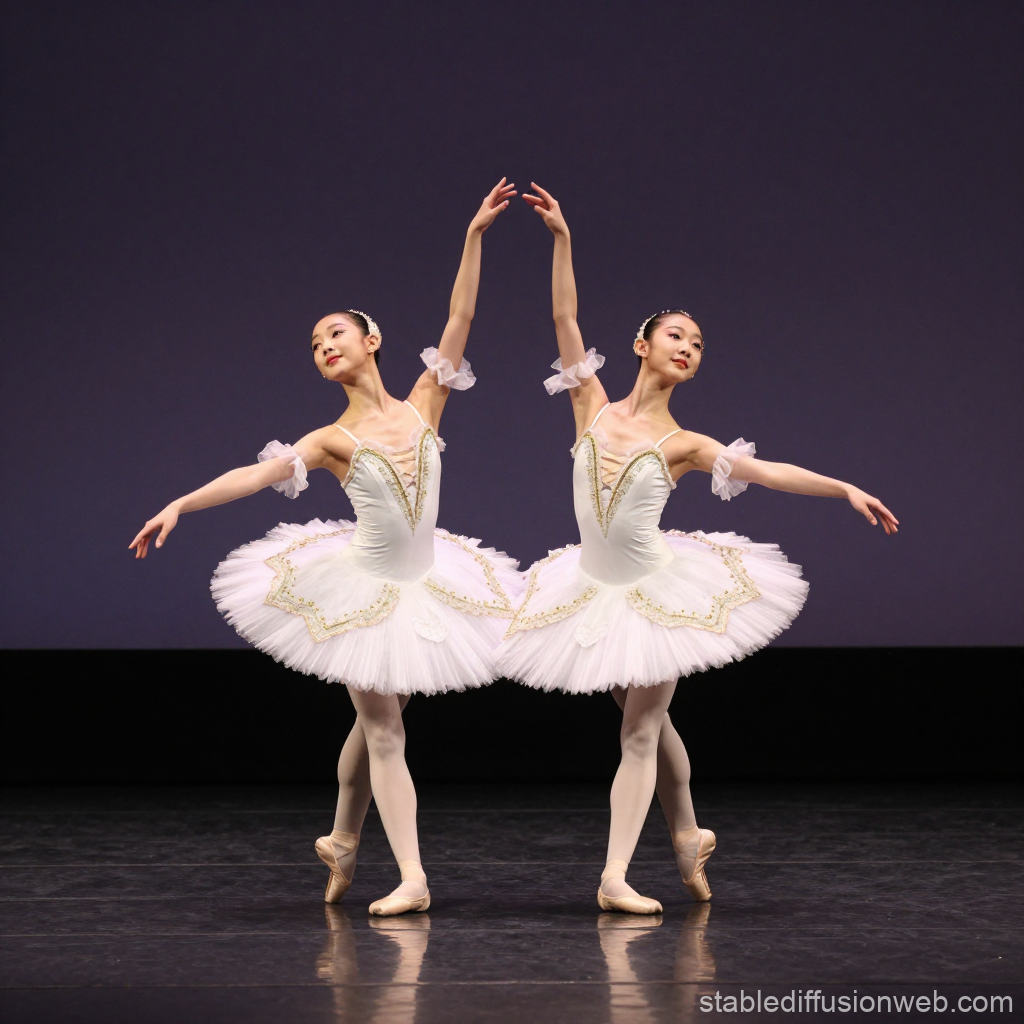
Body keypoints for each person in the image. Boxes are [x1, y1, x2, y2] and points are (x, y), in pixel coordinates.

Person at [497, 184, 898, 915]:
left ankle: (615, 874)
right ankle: (688, 834)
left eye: (699, 343)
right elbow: (563, 316)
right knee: (643, 715)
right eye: (677, 335)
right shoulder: (590, 404)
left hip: (655, 592)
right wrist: (561, 240)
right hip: (592, 588)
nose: (688, 347)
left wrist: (840, 486)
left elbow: (767, 471)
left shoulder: (685, 444)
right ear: (642, 346)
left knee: (641, 727)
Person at [130, 179, 522, 916]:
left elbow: (461, 314)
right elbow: (258, 474)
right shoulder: (330, 439)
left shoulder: (425, 403)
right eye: (314, 346)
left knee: (376, 717)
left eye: (333, 334)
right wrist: (181, 501)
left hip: (429, 583)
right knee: (383, 725)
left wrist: (474, 235)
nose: (323, 348)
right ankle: (412, 876)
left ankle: (343, 839)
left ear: (370, 341)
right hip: (365, 589)